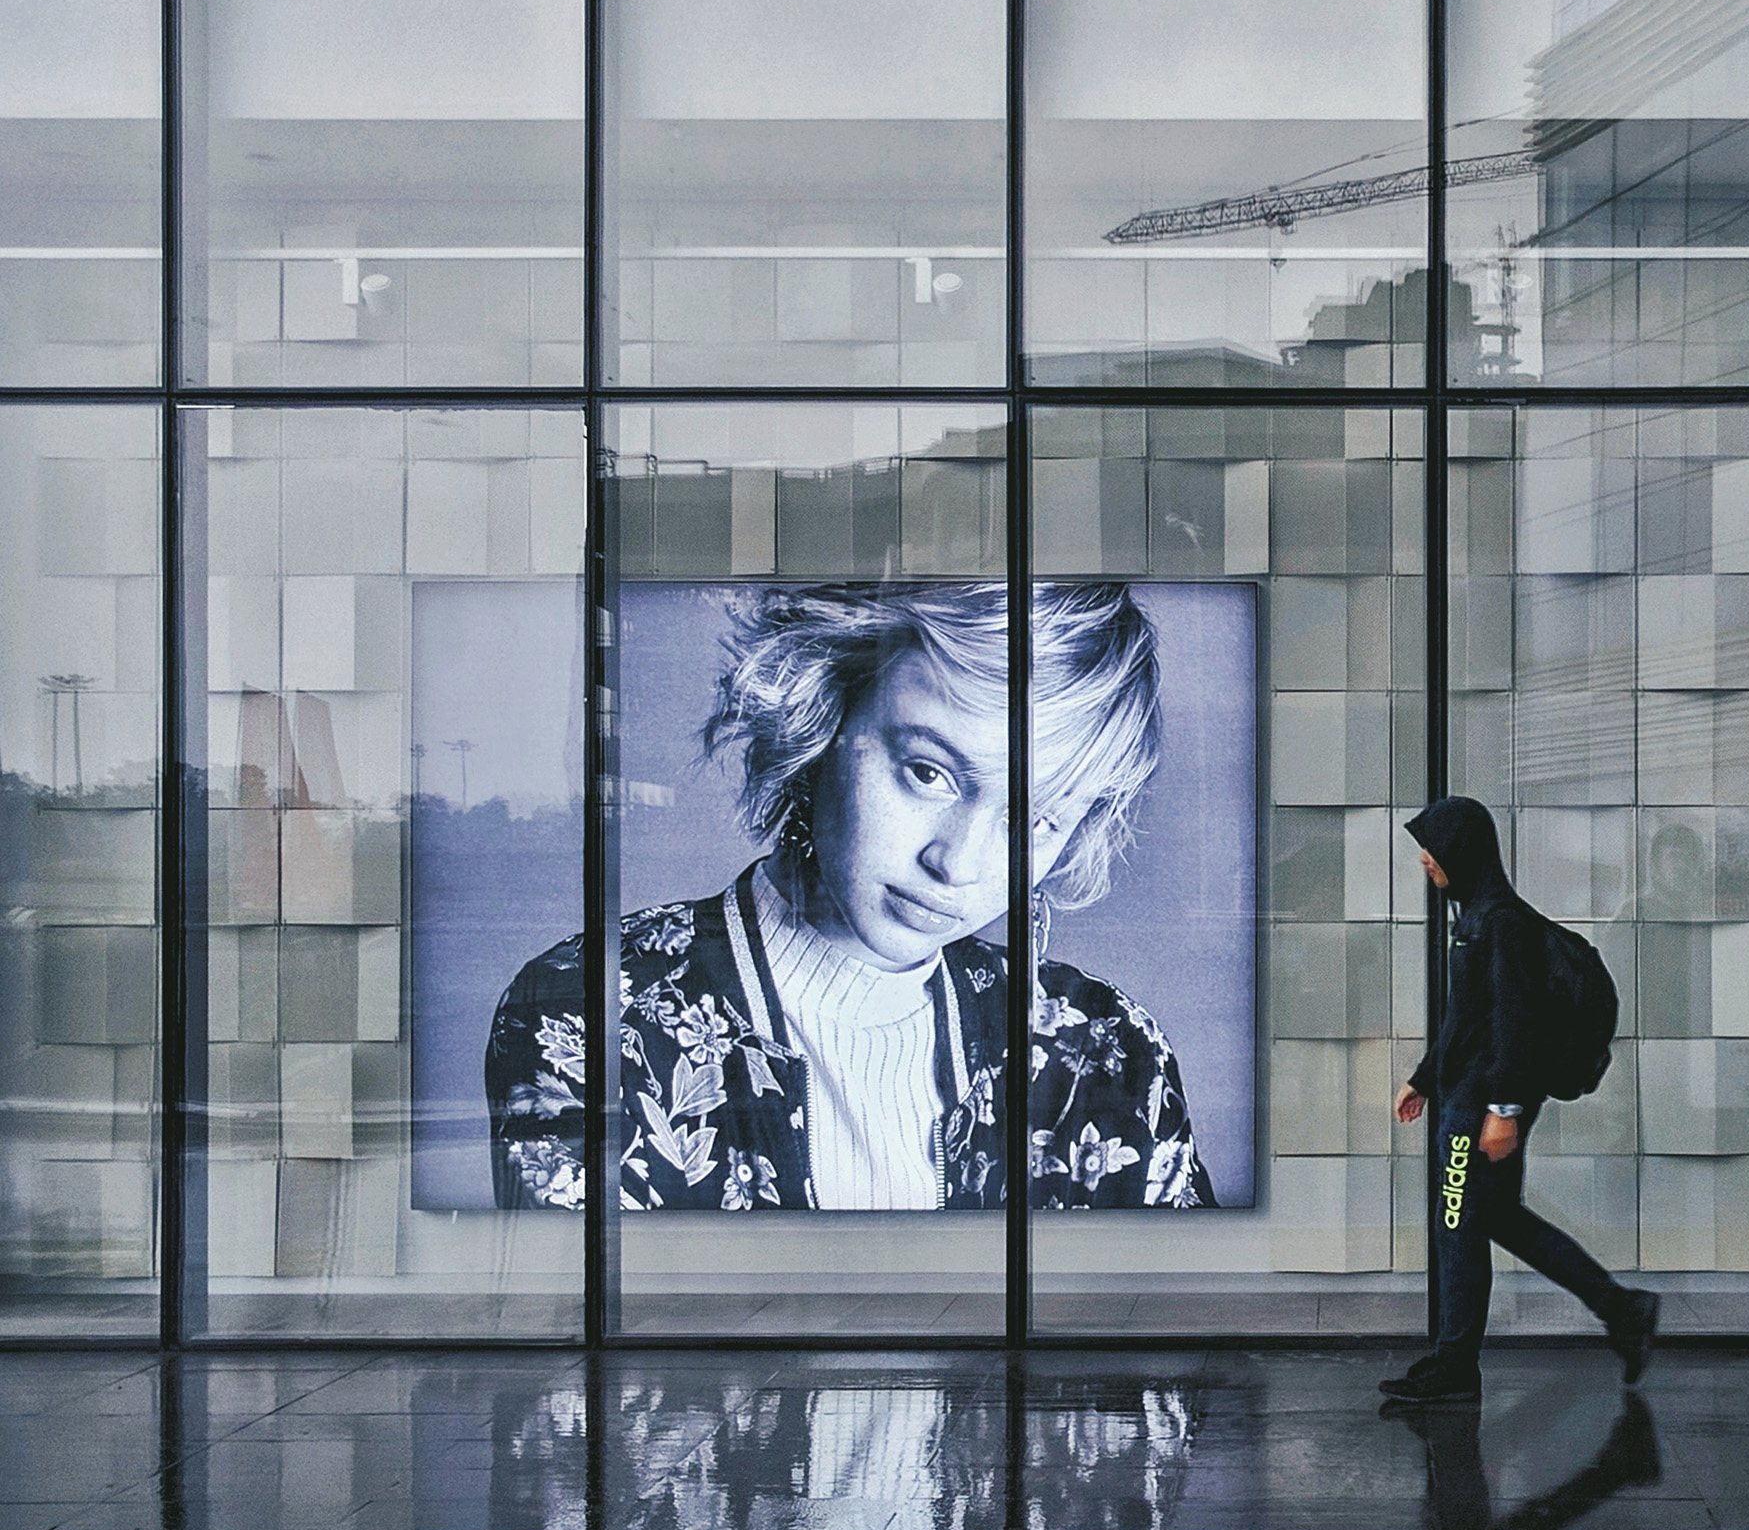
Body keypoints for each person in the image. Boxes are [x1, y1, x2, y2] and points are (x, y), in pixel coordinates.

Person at [486, 580, 1214, 1212]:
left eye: (1037, 816)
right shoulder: (594, 1010)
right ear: (825, 713)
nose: (957, 862)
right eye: (928, 771)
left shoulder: (1110, 1051)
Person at [1380, 796, 1661, 1405]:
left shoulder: (1501, 921)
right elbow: (1467, 1018)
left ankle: (1455, 1369)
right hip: (1466, 1093)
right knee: (1493, 1217)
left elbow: (1514, 1021)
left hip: (1482, 1102)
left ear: (1463, 849)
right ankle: (1622, 1308)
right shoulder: (1476, 915)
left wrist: (1503, 1111)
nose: (1426, 859)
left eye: (1434, 847)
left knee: (1457, 1224)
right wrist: (1425, 1078)